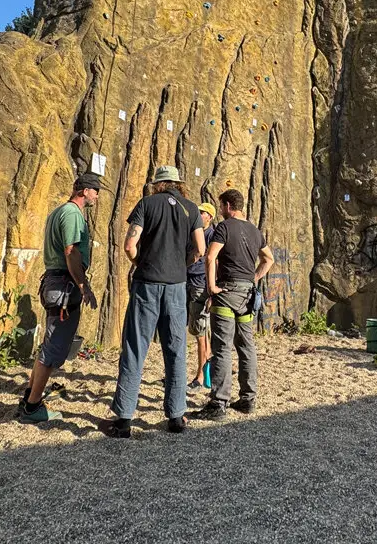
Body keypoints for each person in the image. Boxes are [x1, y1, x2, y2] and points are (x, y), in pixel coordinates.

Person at [99, 165, 205, 438]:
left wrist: (140, 262)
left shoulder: (147, 204)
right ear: (178, 184)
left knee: (135, 349)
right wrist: (182, 264)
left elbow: (128, 245)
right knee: (176, 350)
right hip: (177, 286)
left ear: (158, 183)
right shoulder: (191, 209)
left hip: (147, 283)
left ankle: (123, 420)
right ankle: (176, 416)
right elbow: (201, 249)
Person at [18, 172, 100, 424]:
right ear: (84, 191)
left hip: (54, 282)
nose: (97, 195)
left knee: (49, 343)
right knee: (53, 349)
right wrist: (83, 284)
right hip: (64, 284)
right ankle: (32, 407)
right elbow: (71, 250)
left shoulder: (58, 212)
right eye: (95, 190)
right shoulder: (73, 214)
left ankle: (29, 396)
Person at [193, 188, 274, 421]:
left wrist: (211, 287)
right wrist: (254, 278)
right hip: (247, 296)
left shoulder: (224, 227)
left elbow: (210, 257)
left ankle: (219, 402)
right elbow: (268, 259)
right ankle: (248, 399)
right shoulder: (254, 230)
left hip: (226, 293)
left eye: (221, 206)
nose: (220, 211)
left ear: (228, 206)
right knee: (246, 346)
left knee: (222, 347)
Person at [187, 202, 216, 390]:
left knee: (201, 333)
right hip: (185, 281)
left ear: (210, 217)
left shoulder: (213, 235)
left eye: (202, 212)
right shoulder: (192, 231)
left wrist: (212, 289)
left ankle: (200, 376)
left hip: (200, 285)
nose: (198, 214)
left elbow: (215, 262)